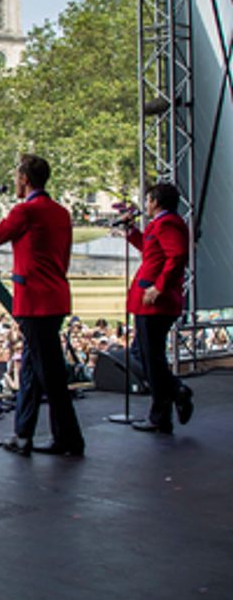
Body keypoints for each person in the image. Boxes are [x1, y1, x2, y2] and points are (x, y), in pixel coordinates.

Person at [0, 154, 84, 458]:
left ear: (25, 179)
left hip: (35, 302)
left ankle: (70, 439)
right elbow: (62, 257)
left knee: (50, 375)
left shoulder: (26, 212)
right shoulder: (61, 212)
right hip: (55, 295)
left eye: (16, 176)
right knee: (31, 370)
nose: (14, 182)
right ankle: (23, 434)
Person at [122, 182, 194, 434]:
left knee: (150, 356)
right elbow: (152, 251)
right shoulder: (160, 225)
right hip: (150, 299)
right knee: (146, 355)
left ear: (155, 201)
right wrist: (131, 232)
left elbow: (176, 256)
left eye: (148, 200)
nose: (146, 205)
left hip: (156, 301)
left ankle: (168, 401)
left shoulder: (168, 224)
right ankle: (166, 405)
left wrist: (159, 287)